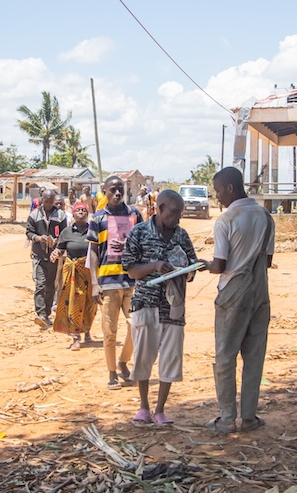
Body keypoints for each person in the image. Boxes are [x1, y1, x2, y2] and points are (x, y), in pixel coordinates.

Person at [201, 167, 275, 434]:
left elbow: (220, 265)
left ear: (230, 188)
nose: (217, 196)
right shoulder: (265, 217)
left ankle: (227, 417)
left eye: (218, 190)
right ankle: (250, 417)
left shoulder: (226, 220)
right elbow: (267, 260)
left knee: (225, 355)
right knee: (254, 356)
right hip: (260, 290)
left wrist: (205, 265)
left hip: (233, 290)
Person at [122, 190, 197, 425]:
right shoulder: (139, 232)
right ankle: (143, 407)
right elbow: (131, 269)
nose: (178, 219)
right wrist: (155, 266)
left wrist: (187, 271)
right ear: (159, 208)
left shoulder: (182, 236)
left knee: (171, 358)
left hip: (173, 309)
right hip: (146, 303)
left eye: (180, 214)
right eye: (174, 213)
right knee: (143, 356)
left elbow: (192, 266)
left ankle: (161, 409)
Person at [87, 175, 144, 390]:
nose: (117, 193)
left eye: (120, 189)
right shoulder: (98, 218)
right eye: (113, 190)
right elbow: (93, 251)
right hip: (108, 282)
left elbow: (144, 242)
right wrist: (94, 283)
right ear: (104, 191)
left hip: (132, 280)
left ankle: (123, 361)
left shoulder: (134, 214)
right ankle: (112, 371)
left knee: (136, 325)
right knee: (109, 330)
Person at [50, 202, 96, 350]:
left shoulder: (93, 231)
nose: (81, 212)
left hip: (89, 272)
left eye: (84, 210)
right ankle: (76, 337)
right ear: (74, 214)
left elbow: (98, 249)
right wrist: (56, 254)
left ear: (87, 214)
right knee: (74, 304)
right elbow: (60, 249)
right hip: (73, 273)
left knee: (90, 304)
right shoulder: (66, 232)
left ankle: (87, 330)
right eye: (78, 210)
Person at [26, 189, 68, 329]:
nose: (49, 204)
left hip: (54, 256)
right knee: (40, 284)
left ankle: (47, 313)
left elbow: (64, 233)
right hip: (39, 255)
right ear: (41, 200)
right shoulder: (34, 215)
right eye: (46, 201)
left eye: (51, 201)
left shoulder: (60, 215)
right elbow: (29, 232)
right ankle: (40, 313)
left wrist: (57, 241)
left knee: (50, 286)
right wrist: (38, 238)